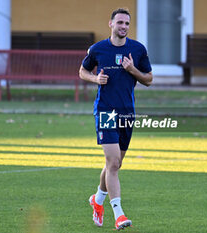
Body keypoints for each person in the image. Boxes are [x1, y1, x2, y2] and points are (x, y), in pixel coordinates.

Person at [79, 8, 153, 230]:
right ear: (110, 24)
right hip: (106, 111)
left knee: (116, 163)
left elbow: (148, 79)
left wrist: (133, 70)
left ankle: (97, 200)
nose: (123, 26)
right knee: (112, 163)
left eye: (127, 23)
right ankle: (119, 214)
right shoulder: (98, 49)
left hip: (127, 113)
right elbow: (82, 71)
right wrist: (95, 78)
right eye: (120, 22)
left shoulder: (138, 50)